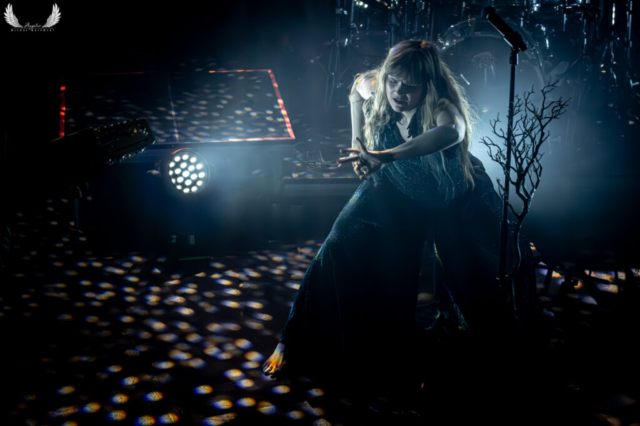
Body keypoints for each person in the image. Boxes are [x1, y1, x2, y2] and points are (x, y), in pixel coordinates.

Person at [263, 40, 535, 386]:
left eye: (409, 86)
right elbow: (356, 89)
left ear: (428, 85)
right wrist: (359, 144)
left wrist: (384, 155)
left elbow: (453, 131)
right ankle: (292, 338)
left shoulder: (442, 106)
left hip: (454, 197)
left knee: (481, 272)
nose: (398, 92)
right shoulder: (379, 86)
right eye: (393, 81)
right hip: (398, 186)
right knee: (338, 244)